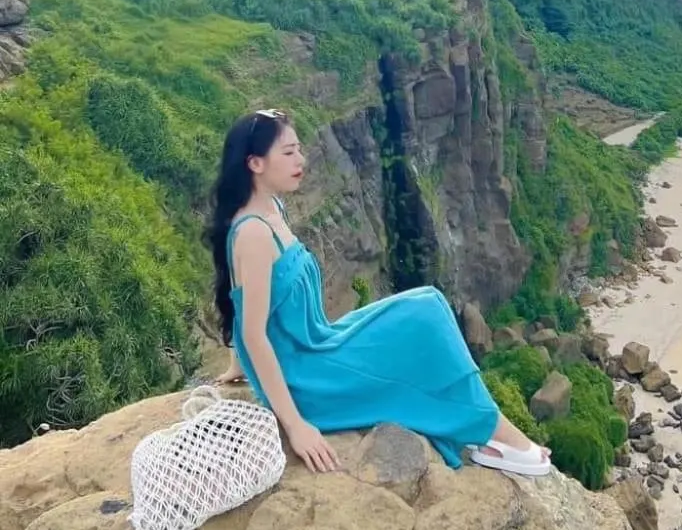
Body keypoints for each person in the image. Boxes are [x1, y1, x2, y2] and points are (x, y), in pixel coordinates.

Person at [206, 109, 551, 478]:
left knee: (428, 304)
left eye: (299, 150)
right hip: (306, 376)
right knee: (425, 326)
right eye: (288, 153)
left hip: (319, 341)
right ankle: (496, 433)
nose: (301, 160)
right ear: (255, 163)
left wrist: (236, 367)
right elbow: (253, 332)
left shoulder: (271, 207)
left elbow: (234, 292)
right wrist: (295, 426)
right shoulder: (253, 234)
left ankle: (483, 425)